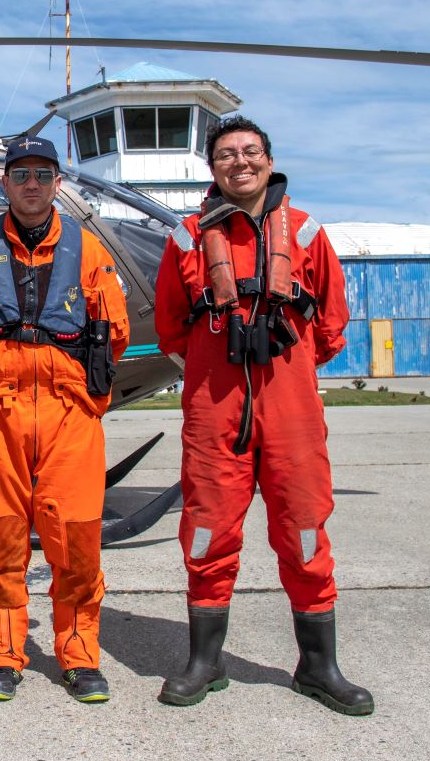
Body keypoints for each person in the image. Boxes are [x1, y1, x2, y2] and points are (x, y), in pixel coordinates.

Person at [154, 116, 373, 716]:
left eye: (250, 152)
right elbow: (171, 325)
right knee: (206, 530)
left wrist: (291, 367)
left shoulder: (305, 232)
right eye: (226, 154)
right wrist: (209, 370)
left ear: (269, 161)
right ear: (212, 167)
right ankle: (205, 660)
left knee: (304, 528)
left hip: (291, 410)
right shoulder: (186, 237)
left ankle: (318, 666)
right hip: (213, 410)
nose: (239, 163)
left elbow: (330, 323)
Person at [0, 135, 130, 703]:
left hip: (69, 413)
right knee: (0, 538)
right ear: (4, 183)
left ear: (57, 183)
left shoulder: (90, 251)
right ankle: (3, 656)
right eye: (20, 174)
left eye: (42, 175)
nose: (31, 184)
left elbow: (114, 332)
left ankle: (79, 656)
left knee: (75, 539)